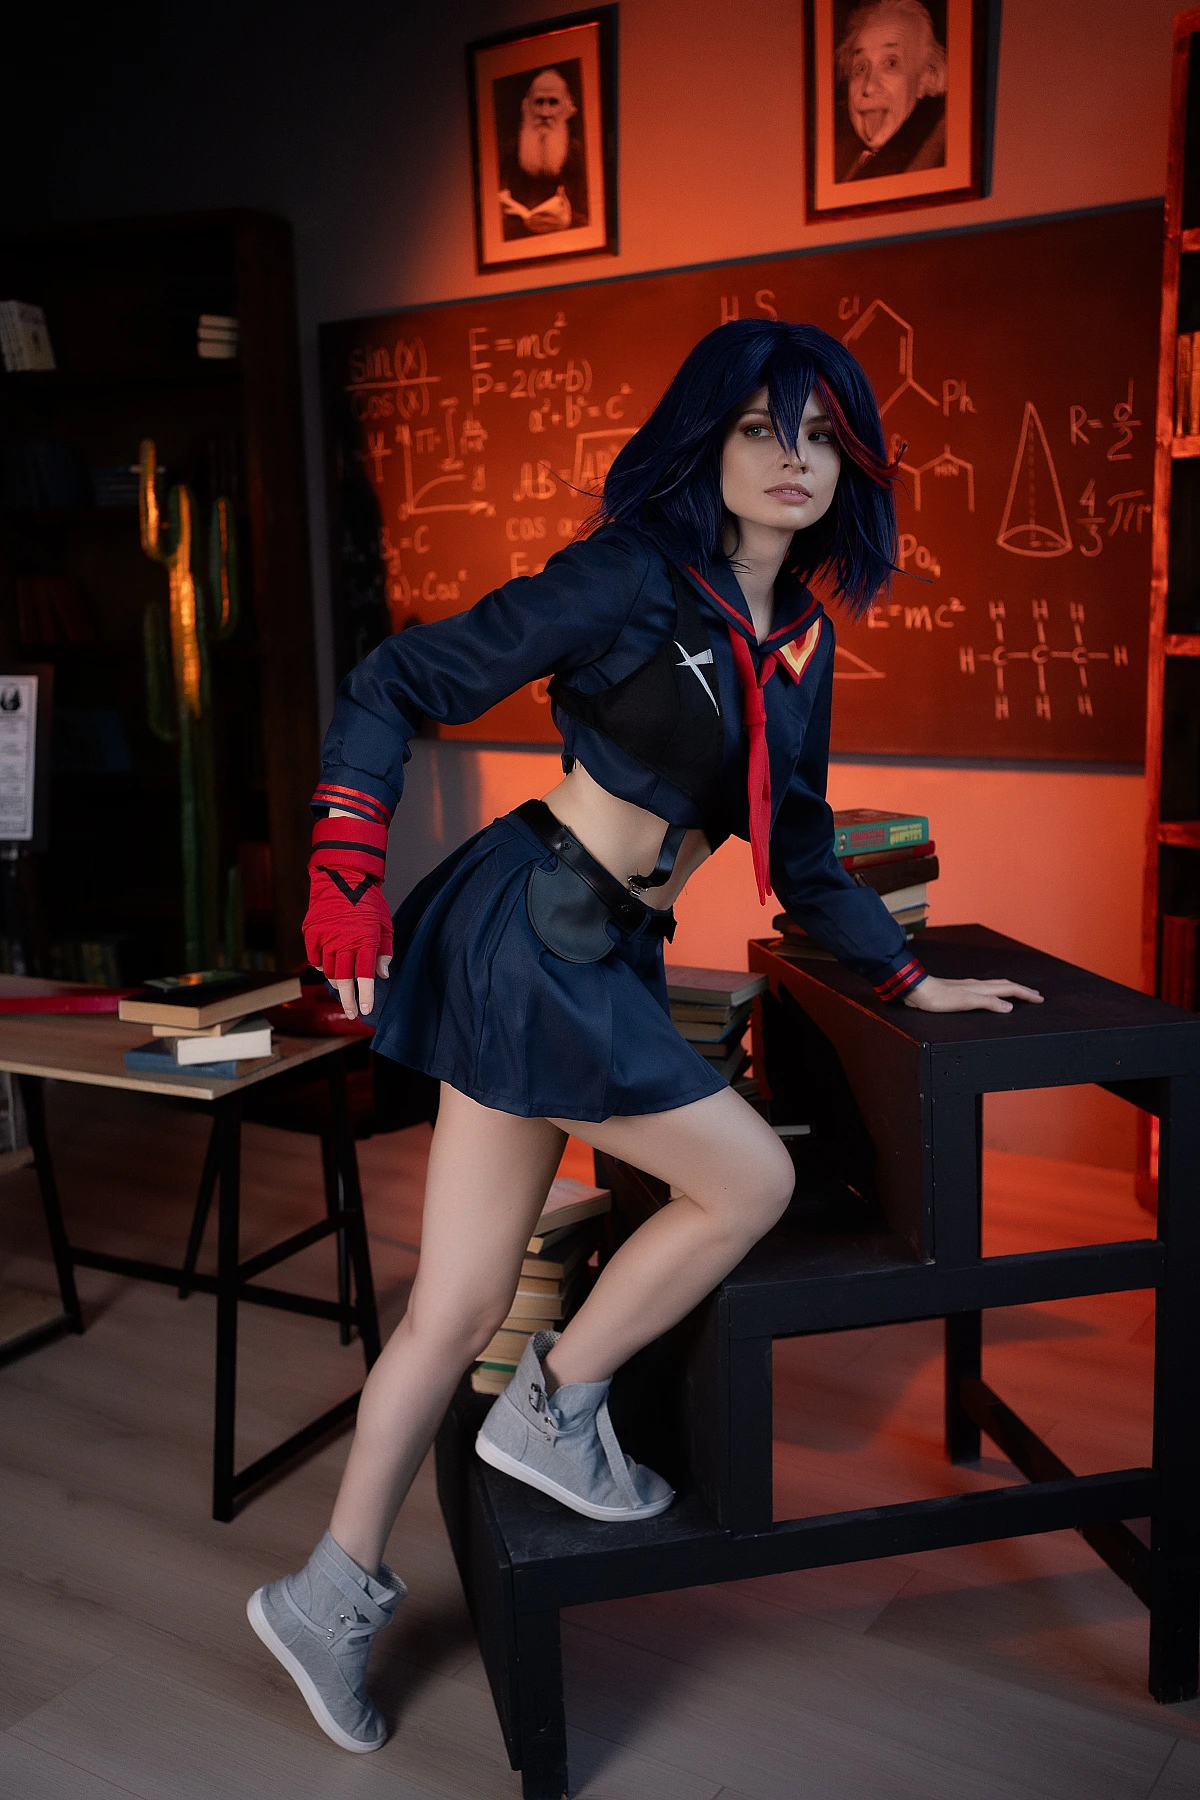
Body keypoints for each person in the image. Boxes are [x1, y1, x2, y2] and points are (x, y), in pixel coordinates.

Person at [246, 319, 1042, 1753]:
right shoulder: (626, 577)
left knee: (455, 1303)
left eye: (817, 434)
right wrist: (344, 862)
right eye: (759, 428)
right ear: (709, 443)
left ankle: (324, 1591)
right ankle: (556, 1411)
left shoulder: (798, 640)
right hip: (531, 929)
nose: (790, 459)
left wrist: (911, 980)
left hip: (590, 949)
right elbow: (398, 683)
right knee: (747, 1180)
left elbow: (799, 849)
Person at [835, 0, 947, 183]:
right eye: (860, 68)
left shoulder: (935, 154)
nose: (868, 87)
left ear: (926, 78)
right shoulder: (842, 161)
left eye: (891, 63)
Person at [497, 66, 588, 237]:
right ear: (527, 106)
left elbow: (591, 217)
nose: (545, 113)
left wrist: (567, 221)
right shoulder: (510, 152)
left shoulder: (576, 153)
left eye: (553, 102)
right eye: (539, 102)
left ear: (565, 107)